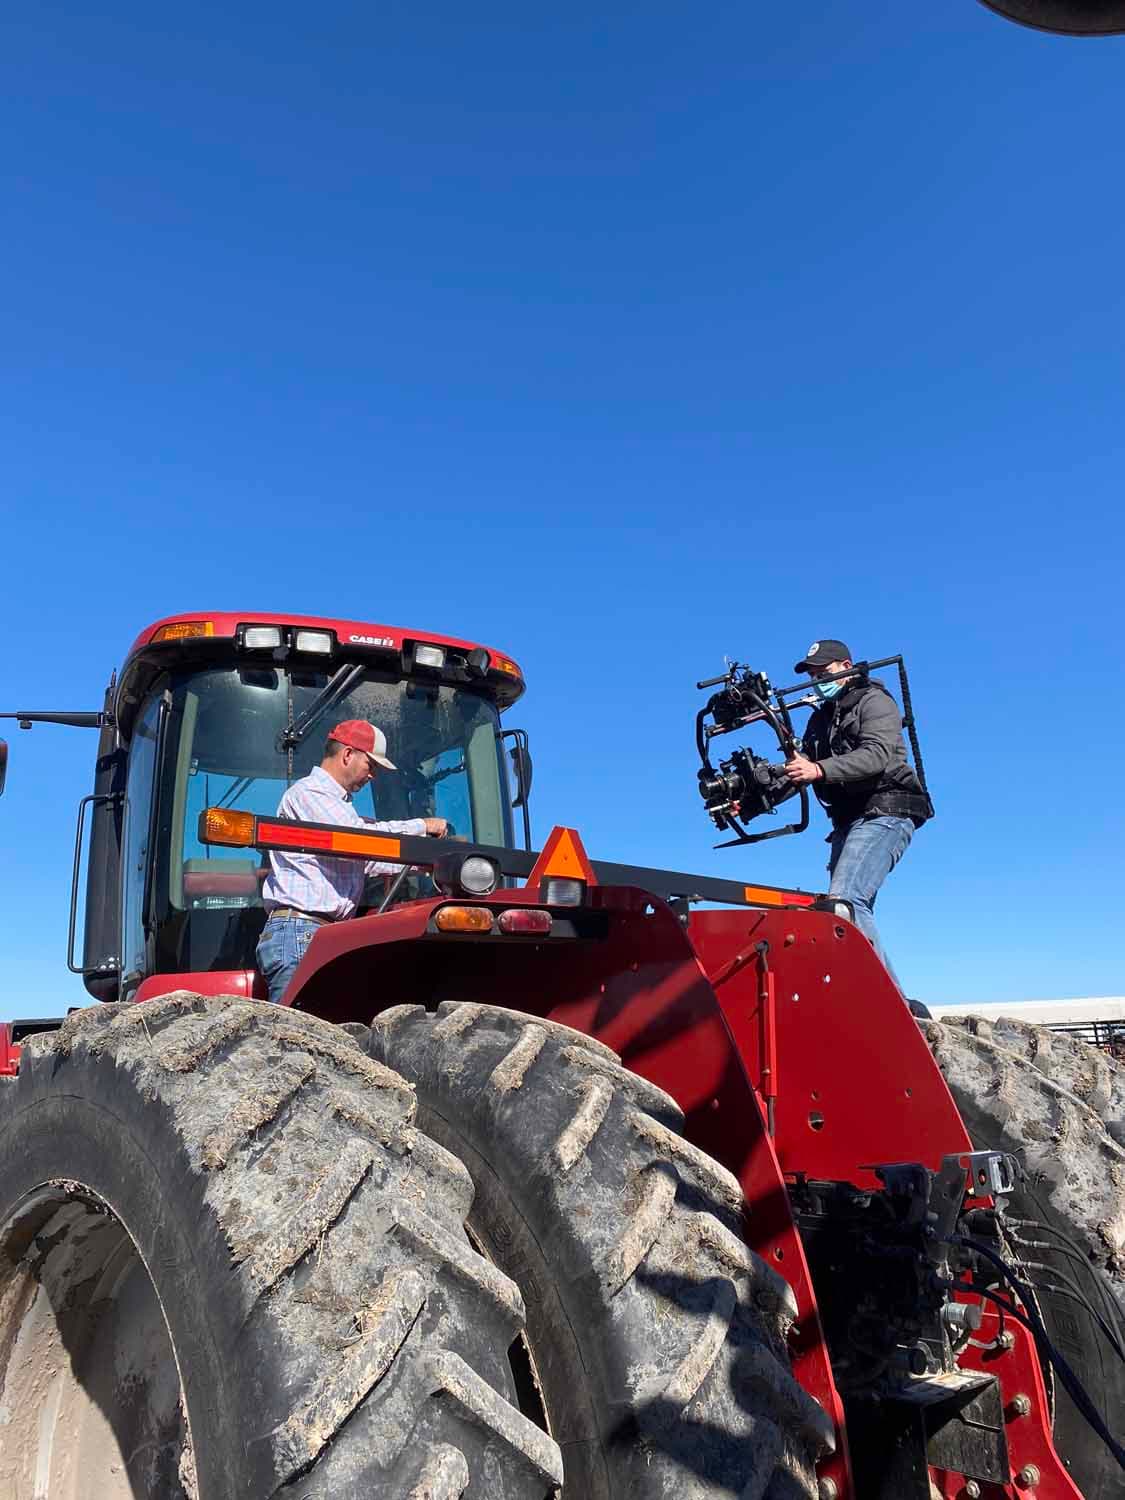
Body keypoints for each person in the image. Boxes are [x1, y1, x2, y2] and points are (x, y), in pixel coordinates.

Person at [256, 719, 448, 1003]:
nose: (373, 776)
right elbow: (359, 839)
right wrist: (422, 827)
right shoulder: (310, 794)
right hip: (301, 933)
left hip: (313, 933)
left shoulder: (335, 807)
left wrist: (421, 861)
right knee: (293, 1039)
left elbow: (364, 860)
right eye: (371, 766)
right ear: (347, 754)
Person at [782, 639, 931, 987]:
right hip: (849, 820)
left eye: (824, 671)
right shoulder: (819, 720)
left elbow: (876, 755)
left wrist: (818, 770)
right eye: (813, 673)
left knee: (845, 901)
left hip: (887, 809)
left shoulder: (874, 700)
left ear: (846, 667)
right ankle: (878, 998)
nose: (817, 678)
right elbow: (803, 768)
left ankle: (889, 1002)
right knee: (844, 912)